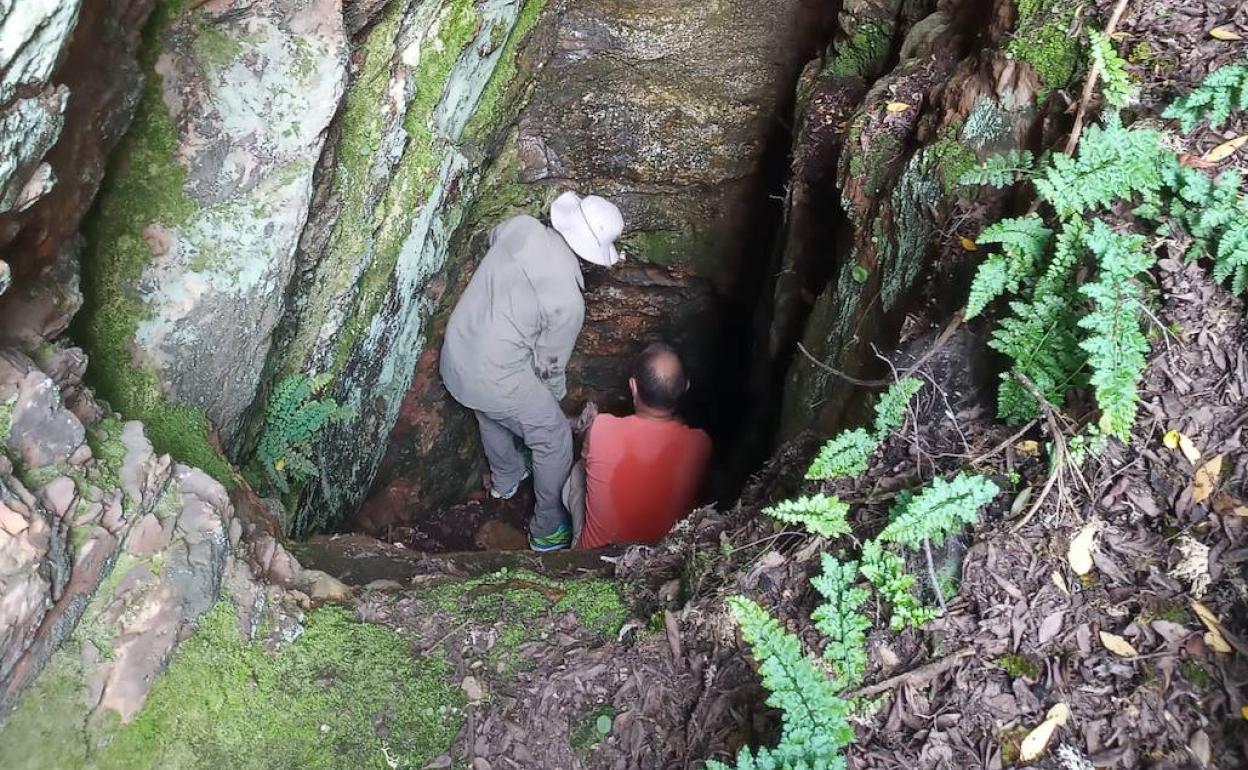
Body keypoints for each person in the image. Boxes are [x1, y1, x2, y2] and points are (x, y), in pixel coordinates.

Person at [440, 191, 625, 552]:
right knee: (552, 439)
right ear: (591, 258)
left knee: (490, 410)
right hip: (493, 377)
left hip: (457, 353)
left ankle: (506, 479)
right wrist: (555, 410)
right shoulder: (568, 303)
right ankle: (546, 528)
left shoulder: (522, 228)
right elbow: (548, 366)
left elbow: (495, 238)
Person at [563, 343, 712, 549]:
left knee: (579, 470)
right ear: (686, 386)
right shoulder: (699, 444)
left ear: (632, 386)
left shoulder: (601, 428)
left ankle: (567, 533)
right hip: (657, 558)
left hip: (591, 558)